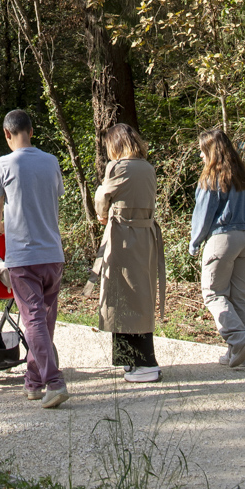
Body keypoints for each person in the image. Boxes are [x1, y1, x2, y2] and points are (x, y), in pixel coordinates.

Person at [0, 109, 69, 409]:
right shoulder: (51, 161)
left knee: (32, 318)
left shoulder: (3, 164)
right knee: (45, 321)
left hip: (23, 254)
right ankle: (34, 383)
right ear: (31, 132)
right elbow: (52, 197)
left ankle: (55, 382)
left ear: (8, 134)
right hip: (52, 253)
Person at [92, 124, 166, 383]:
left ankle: (144, 363)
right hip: (145, 237)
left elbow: (102, 196)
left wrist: (103, 214)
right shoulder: (147, 167)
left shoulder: (117, 167)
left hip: (123, 238)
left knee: (122, 294)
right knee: (140, 294)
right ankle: (128, 358)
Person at [189, 128, 245, 368]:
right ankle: (240, 354)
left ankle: (238, 339)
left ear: (211, 151)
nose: (200, 156)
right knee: (239, 296)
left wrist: (194, 242)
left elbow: (203, 215)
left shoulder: (212, 177)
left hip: (222, 239)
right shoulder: (244, 176)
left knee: (213, 293)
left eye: (202, 151)